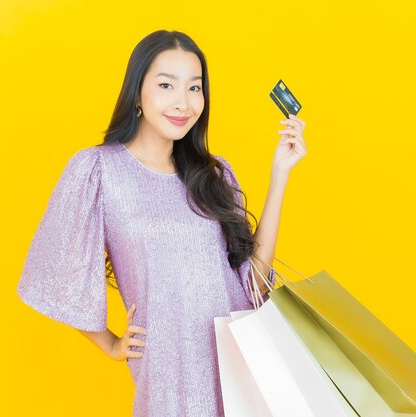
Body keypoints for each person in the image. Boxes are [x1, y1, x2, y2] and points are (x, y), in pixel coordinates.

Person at [16, 29, 307, 417]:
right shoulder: (99, 171)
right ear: (137, 92)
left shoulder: (214, 175)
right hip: (168, 381)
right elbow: (54, 275)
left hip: (238, 374)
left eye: (194, 88)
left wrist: (280, 175)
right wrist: (109, 343)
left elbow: (252, 283)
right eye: (166, 85)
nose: (183, 102)